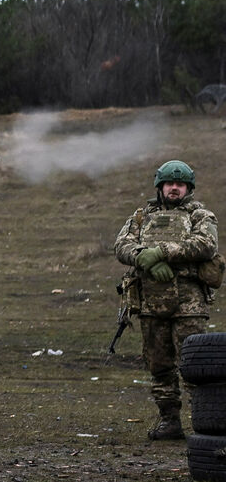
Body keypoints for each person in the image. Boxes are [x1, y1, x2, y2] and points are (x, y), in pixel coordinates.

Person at [114, 160, 219, 440]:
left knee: (194, 365)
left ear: (188, 188)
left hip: (189, 304)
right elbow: (122, 245)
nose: (174, 188)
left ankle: (204, 422)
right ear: (160, 187)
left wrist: (160, 252)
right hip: (151, 302)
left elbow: (206, 245)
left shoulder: (200, 215)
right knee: (159, 366)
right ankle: (169, 421)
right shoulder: (141, 217)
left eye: (180, 184)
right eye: (169, 183)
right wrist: (143, 258)